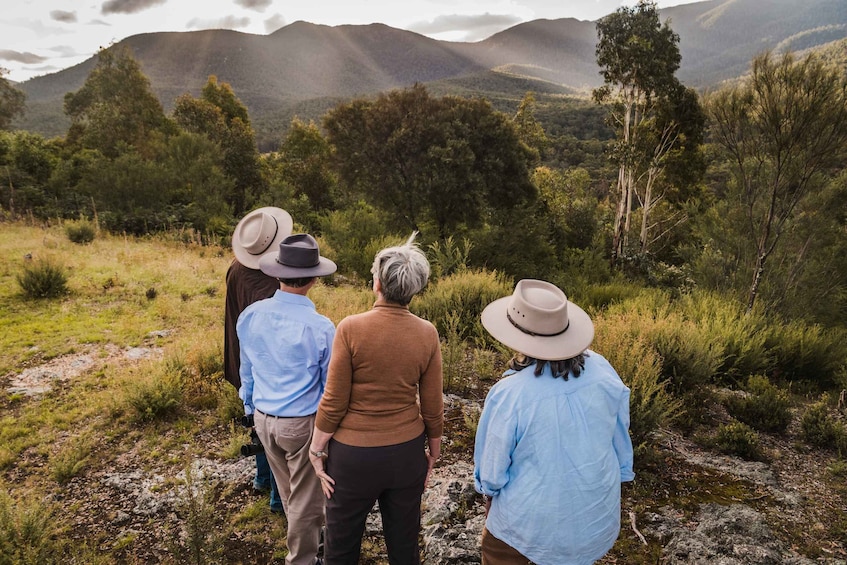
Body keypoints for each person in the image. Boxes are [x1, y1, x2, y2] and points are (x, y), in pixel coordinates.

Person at [473, 279, 635, 565]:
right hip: (593, 521)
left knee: (496, 550)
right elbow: (620, 438)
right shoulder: (602, 368)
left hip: (525, 529)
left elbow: (491, 474)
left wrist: (489, 500)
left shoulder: (510, 394)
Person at [308, 233, 443, 565]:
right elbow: (431, 404)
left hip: (352, 459)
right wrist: (433, 451)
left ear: (378, 284)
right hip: (406, 453)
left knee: (340, 548)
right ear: (414, 288)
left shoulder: (351, 328)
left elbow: (334, 400)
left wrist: (315, 449)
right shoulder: (427, 333)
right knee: (404, 545)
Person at [238, 233, 337, 565]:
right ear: (313, 280)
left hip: (264, 419)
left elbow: (247, 370)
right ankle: (302, 559)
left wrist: (249, 408)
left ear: (278, 272)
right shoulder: (321, 328)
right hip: (302, 423)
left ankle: (311, 544)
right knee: (303, 501)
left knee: (290, 493)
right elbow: (329, 389)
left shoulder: (251, 315)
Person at [225, 206, 293, 514]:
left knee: (257, 420)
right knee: (269, 424)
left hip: (244, 355)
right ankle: (277, 498)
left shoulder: (235, 269)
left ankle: (262, 478)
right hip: (265, 360)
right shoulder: (270, 280)